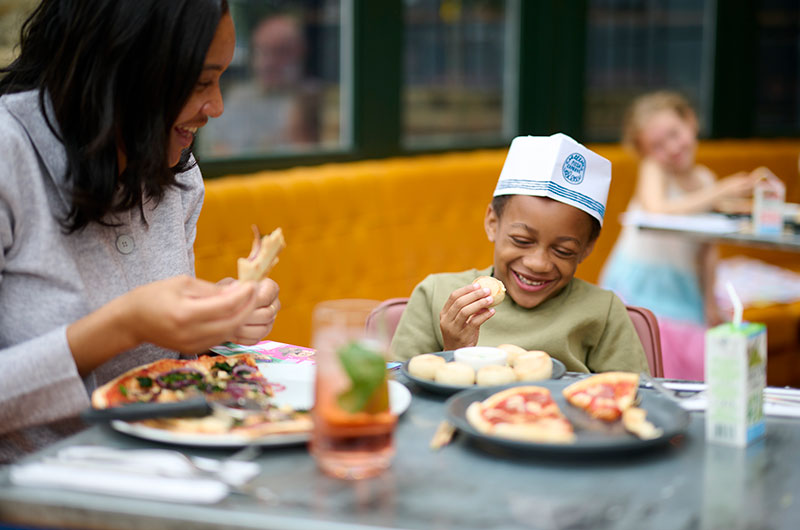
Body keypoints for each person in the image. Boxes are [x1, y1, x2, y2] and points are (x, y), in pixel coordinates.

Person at [0, 0, 280, 462]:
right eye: (199, 82)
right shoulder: (11, 155)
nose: (218, 106)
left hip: (177, 472)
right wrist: (123, 325)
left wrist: (215, 318)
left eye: (222, 78)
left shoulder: (177, 173)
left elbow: (168, 368)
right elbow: (132, 321)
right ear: (123, 70)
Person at [391, 133, 649, 374]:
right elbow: (394, 394)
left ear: (587, 248)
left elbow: (637, 397)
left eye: (563, 250)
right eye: (522, 240)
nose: (538, 263)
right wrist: (455, 352)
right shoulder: (436, 295)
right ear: (493, 223)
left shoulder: (603, 312)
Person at [600, 90, 762, 380]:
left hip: (684, 290)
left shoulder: (705, 179)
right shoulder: (656, 170)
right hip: (643, 287)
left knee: (700, 357)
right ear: (646, 153)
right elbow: (657, 209)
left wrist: (709, 302)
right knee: (654, 358)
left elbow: (707, 250)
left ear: (690, 121)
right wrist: (718, 193)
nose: (671, 148)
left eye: (674, 134)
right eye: (657, 145)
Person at [197, 12, 321, 156]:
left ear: (300, 52)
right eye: (262, 51)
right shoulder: (238, 97)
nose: (269, 62)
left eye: (280, 51)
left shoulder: (313, 98)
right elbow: (216, 149)